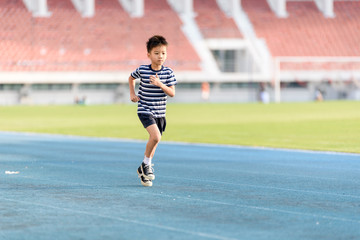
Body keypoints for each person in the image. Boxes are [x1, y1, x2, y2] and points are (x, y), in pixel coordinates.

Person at [128, 35, 177, 187]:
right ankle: (146, 165)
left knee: (155, 142)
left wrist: (160, 84)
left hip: (160, 113)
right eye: (156, 53)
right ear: (148, 54)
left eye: (163, 53)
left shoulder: (168, 73)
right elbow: (131, 78)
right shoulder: (143, 69)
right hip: (145, 109)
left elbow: (172, 93)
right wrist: (132, 93)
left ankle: (144, 170)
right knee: (155, 137)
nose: (160, 56)